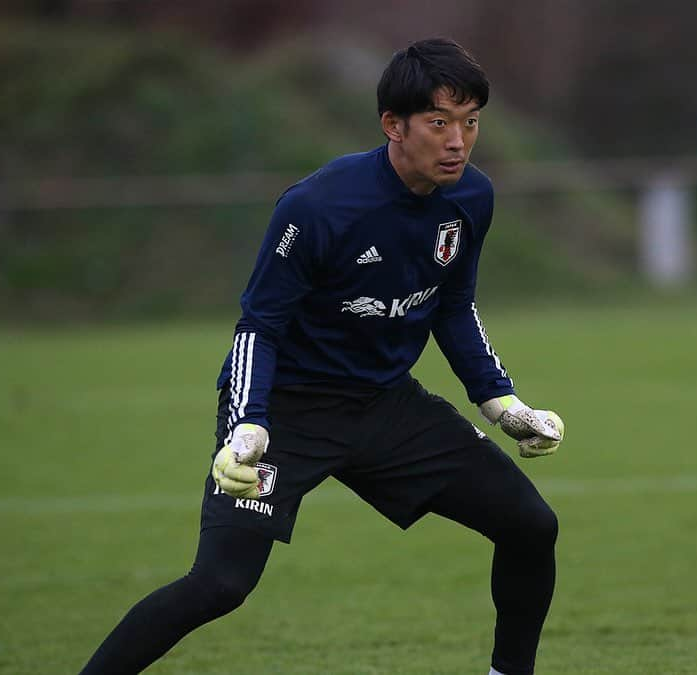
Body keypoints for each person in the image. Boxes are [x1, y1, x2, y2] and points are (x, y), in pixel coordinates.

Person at [80, 37, 564, 675]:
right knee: (222, 583)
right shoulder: (318, 206)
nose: (458, 141)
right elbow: (259, 325)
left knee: (532, 525)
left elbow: (453, 304)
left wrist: (502, 401)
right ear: (394, 126)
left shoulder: (472, 199)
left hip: (385, 405)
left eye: (470, 122)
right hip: (285, 411)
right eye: (439, 122)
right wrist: (246, 422)